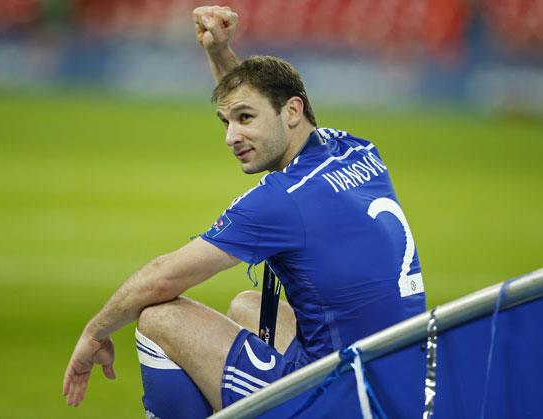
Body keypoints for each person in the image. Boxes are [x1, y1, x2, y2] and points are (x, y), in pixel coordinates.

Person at [63, 5, 426, 418]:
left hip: (345, 400)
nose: (231, 137)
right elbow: (266, 107)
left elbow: (163, 277)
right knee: (248, 307)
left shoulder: (282, 200)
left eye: (244, 119)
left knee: (159, 318)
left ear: (293, 111)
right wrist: (220, 53)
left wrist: (95, 332)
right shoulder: (354, 149)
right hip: (398, 384)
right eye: (227, 122)